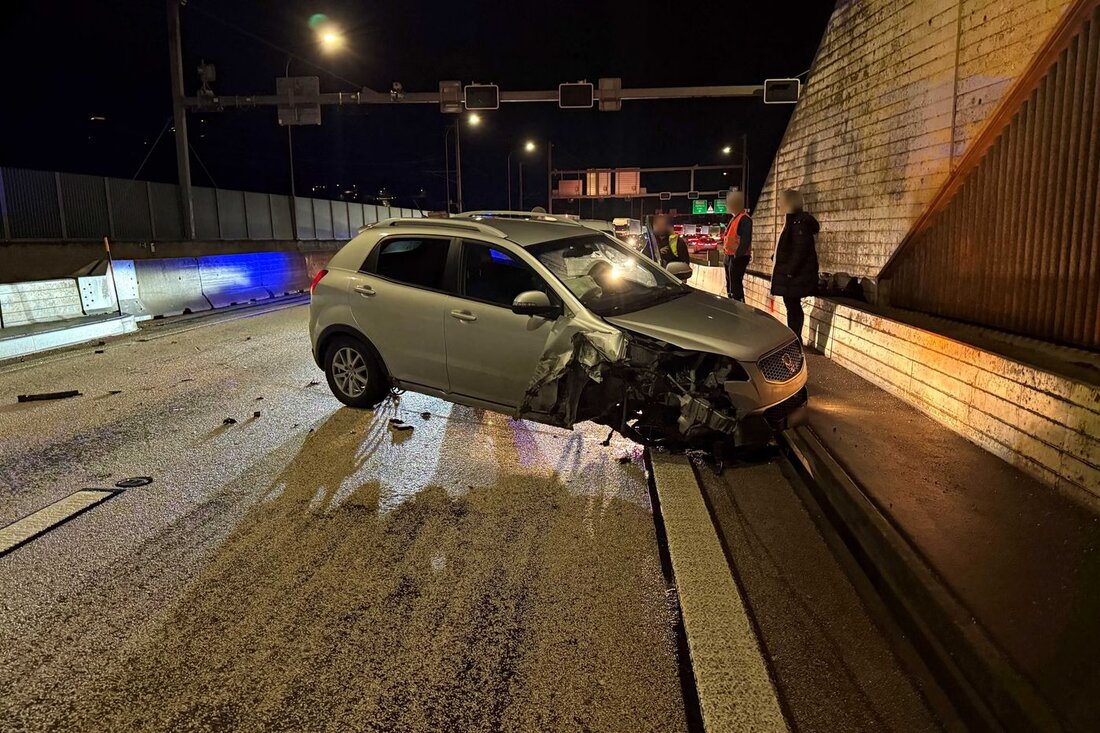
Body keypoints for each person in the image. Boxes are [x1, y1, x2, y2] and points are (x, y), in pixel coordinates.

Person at [771, 189, 819, 343]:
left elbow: (800, 250)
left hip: (796, 275)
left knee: (793, 306)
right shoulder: (794, 221)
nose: (780, 205)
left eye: (782, 201)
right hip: (794, 274)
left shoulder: (799, 223)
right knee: (791, 305)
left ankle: (795, 338)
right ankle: (794, 336)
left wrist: (790, 271)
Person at [722, 191, 752, 301]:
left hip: (738, 257)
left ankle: (738, 305)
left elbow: (745, 240)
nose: (727, 205)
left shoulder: (744, 219)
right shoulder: (734, 218)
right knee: (730, 283)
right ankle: (732, 301)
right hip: (730, 256)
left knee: (735, 285)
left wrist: (737, 256)